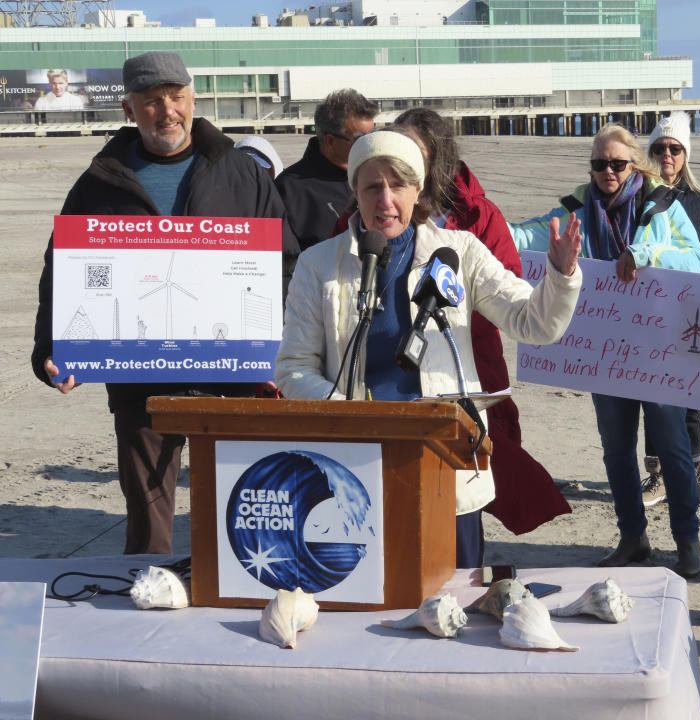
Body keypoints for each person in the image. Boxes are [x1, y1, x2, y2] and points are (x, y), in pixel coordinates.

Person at [30, 51, 300, 555]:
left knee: (242, 503)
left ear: (193, 98)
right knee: (148, 513)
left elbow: (285, 264)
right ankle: (146, 599)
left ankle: (238, 594)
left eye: (176, 97)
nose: (168, 111)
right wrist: (53, 349)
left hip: (235, 372)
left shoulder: (240, 173)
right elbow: (61, 272)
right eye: (152, 101)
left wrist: (281, 346)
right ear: (130, 110)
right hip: (140, 376)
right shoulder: (99, 181)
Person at [274, 129, 583, 568]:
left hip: (445, 463)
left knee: (451, 603)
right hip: (356, 464)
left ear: (417, 191)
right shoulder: (319, 264)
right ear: (355, 194)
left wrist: (560, 275)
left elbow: (532, 322)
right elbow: (293, 369)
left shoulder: (460, 252)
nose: (385, 199)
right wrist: (348, 413)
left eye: (398, 185)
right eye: (372, 187)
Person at [510, 123, 700, 577]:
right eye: (599, 164)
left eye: (617, 164)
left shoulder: (663, 204)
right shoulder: (577, 207)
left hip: (657, 350)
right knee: (616, 450)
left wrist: (646, 252)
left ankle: (687, 540)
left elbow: (695, 259)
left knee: (674, 448)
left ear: (634, 164)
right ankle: (632, 537)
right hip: (604, 353)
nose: (607, 172)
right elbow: (528, 237)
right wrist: (481, 227)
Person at [392, 108, 571, 535]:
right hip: (391, 377)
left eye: (412, 151)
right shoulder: (365, 216)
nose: (402, 161)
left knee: (463, 495)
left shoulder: (477, 217)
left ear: (437, 158)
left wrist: (561, 278)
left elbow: (509, 290)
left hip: (465, 364)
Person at [642, 112, 700, 508]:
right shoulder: (638, 198)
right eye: (659, 147)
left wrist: (697, 289)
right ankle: (658, 475)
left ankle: (694, 473)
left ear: (685, 153)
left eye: (674, 148)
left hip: (695, 316)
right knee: (651, 395)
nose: (667, 154)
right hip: (647, 315)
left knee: (690, 398)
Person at [276, 88, 377, 250]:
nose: (371, 144)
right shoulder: (288, 190)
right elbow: (286, 262)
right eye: (361, 138)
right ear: (330, 141)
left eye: (373, 135)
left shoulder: (380, 178)